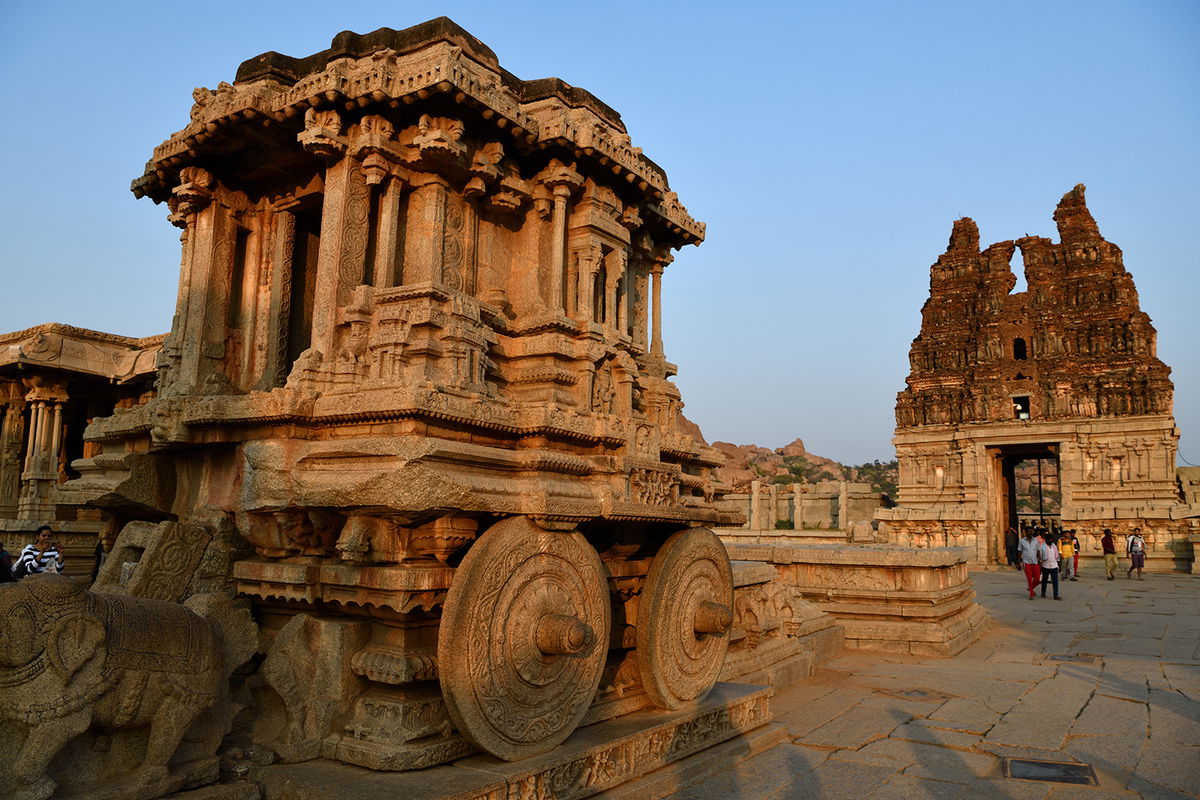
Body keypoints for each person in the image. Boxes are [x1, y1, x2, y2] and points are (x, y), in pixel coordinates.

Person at [1018, 527, 1042, 600]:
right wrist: (1018, 562)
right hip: (1026, 562)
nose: (1030, 533)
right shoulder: (1022, 541)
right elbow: (1019, 551)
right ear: (1025, 532)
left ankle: (1030, 587)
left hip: (1035, 561)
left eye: (1031, 531)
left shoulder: (1036, 541)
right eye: (1029, 531)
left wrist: (1040, 561)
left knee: (1037, 579)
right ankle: (1031, 593)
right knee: (1029, 578)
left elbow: (1038, 551)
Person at [1040, 533, 1062, 600]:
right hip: (1045, 565)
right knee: (1044, 580)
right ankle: (1043, 592)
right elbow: (1040, 556)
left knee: (1055, 581)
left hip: (1054, 565)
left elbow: (1057, 556)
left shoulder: (1054, 546)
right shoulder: (1042, 546)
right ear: (1046, 540)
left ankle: (1056, 595)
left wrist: (1059, 565)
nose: (1051, 540)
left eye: (1052, 539)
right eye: (1049, 539)